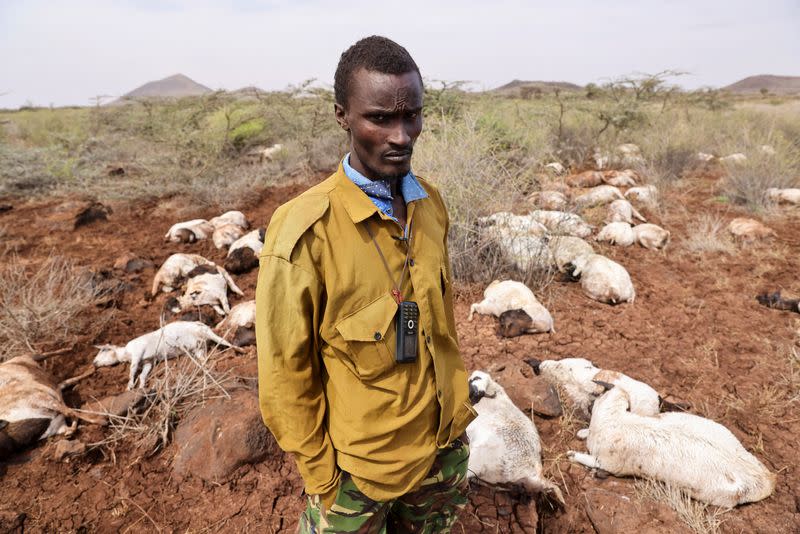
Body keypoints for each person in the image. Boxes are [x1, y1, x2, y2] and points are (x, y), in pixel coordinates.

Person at [256, 35, 475, 533]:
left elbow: (439, 328)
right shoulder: (304, 231)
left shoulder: (430, 206)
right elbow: (284, 377)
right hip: (359, 476)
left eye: (412, 115)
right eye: (380, 118)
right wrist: (325, 482)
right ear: (342, 116)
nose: (401, 135)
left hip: (441, 451)